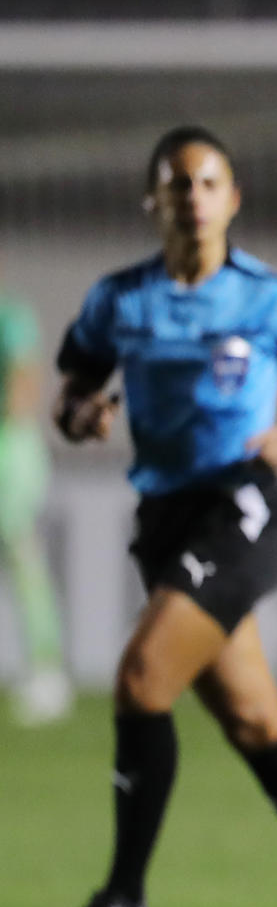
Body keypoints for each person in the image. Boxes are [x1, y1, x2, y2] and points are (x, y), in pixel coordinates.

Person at [44, 125, 277, 907]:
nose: (194, 198)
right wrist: (83, 418)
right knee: (252, 720)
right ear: (153, 201)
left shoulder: (271, 297)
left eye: (209, 183)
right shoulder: (119, 301)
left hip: (241, 513)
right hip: (163, 519)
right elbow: (74, 396)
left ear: (232, 199)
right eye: (179, 185)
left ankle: (125, 897)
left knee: (140, 678)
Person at [0, 277, 72, 724]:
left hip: (9, 452)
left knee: (22, 556)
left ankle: (47, 672)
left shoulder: (12, 318)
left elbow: (24, 386)